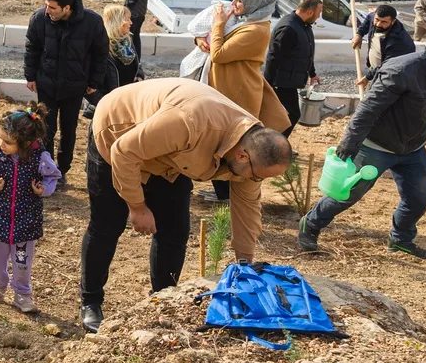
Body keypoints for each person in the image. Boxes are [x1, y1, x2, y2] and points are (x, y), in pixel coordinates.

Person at [79, 78, 292, 333]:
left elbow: (247, 206)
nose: (256, 181)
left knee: (174, 231)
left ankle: (160, 300)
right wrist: (137, 206)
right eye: (257, 176)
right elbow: (124, 151)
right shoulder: (189, 122)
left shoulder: (251, 149)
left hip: (170, 156)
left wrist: (245, 264)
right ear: (242, 156)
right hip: (118, 133)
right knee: (107, 225)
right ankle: (91, 302)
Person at [297, 46, 426, 261]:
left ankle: (400, 239)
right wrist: (349, 142)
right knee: (349, 193)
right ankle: (310, 224)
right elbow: (368, 108)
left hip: (412, 148)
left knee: (418, 198)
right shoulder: (403, 70)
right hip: (376, 144)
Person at [0, 106, 61, 314]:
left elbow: (52, 177)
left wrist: (43, 190)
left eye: (8, 141)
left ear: (26, 143)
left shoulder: (40, 158)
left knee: (23, 260)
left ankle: (22, 294)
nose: (2, 144)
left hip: (26, 220)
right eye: (0, 138)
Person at [202, 0, 281, 202]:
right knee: (220, 142)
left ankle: (228, 196)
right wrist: (200, 39)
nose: (234, 4)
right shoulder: (246, 22)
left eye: (239, 0)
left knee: (230, 143)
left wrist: (218, 24)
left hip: (238, 94)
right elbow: (210, 42)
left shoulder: (255, 30)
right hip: (227, 91)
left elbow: (218, 53)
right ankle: (222, 193)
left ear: (254, 4)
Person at [24, 0, 107, 174]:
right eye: (46, 5)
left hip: (75, 86)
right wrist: (30, 75)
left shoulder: (92, 22)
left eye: (52, 8)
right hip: (46, 84)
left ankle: (62, 169)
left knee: (68, 130)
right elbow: (32, 48)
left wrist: (94, 82)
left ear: (67, 8)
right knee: (45, 129)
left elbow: (101, 55)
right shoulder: (39, 18)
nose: (47, 11)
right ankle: (46, 168)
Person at [264, 0, 323, 135]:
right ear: (309, 12)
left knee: (288, 116)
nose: (319, 16)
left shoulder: (304, 26)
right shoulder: (288, 28)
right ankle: (277, 146)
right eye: (319, 13)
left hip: (288, 82)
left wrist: (312, 74)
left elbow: (306, 53)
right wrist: (268, 85)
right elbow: (273, 58)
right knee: (291, 115)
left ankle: (277, 145)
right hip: (280, 83)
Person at [354, 4, 415, 84]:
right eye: (377, 20)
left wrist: (367, 78)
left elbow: (385, 65)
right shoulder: (375, 18)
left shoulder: (398, 42)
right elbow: (369, 18)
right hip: (376, 69)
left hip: (393, 75)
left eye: (384, 22)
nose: (378, 24)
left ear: (393, 21)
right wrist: (359, 34)